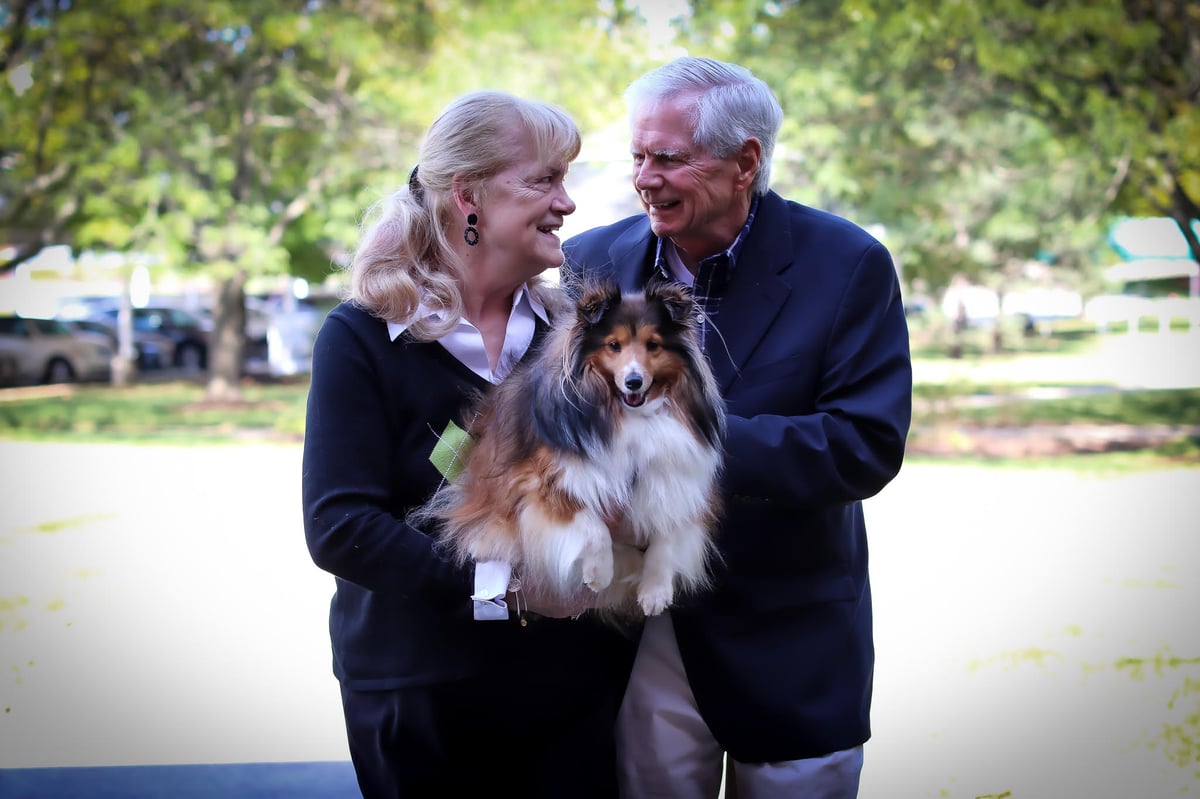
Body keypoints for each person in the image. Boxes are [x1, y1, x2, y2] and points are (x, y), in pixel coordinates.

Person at [562, 57, 913, 798]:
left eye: (668, 158)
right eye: (636, 156)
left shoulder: (849, 264)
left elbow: (864, 444)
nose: (644, 178)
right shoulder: (588, 263)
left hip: (788, 638)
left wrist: (687, 445)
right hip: (633, 633)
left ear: (745, 160)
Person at [302, 90, 636, 798]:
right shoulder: (362, 337)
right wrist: (508, 585)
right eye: (544, 179)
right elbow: (341, 527)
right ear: (468, 196)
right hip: (417, 688)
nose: (567, 203)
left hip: (572, 687)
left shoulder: (570, 337)